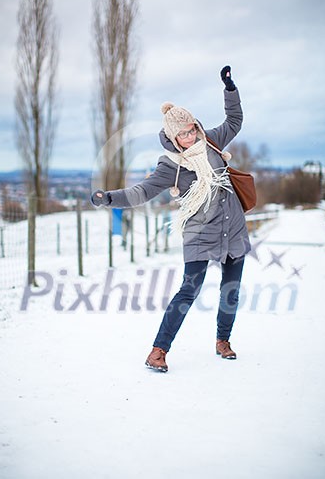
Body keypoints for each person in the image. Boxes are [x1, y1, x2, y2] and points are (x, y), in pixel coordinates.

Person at [91, 66, 250, 372]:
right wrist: (110, 198)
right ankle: (158, 351)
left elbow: (235, 121)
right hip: (200, 234)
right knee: (188, 291)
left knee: (231, 289)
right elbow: (142, 192)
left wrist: (229, 89)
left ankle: (223, 341)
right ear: (172, 137)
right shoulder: (171, 166)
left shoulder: (212, 141)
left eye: (191, 129)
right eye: (183, 134)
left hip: (232, 228)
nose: (190, 137)